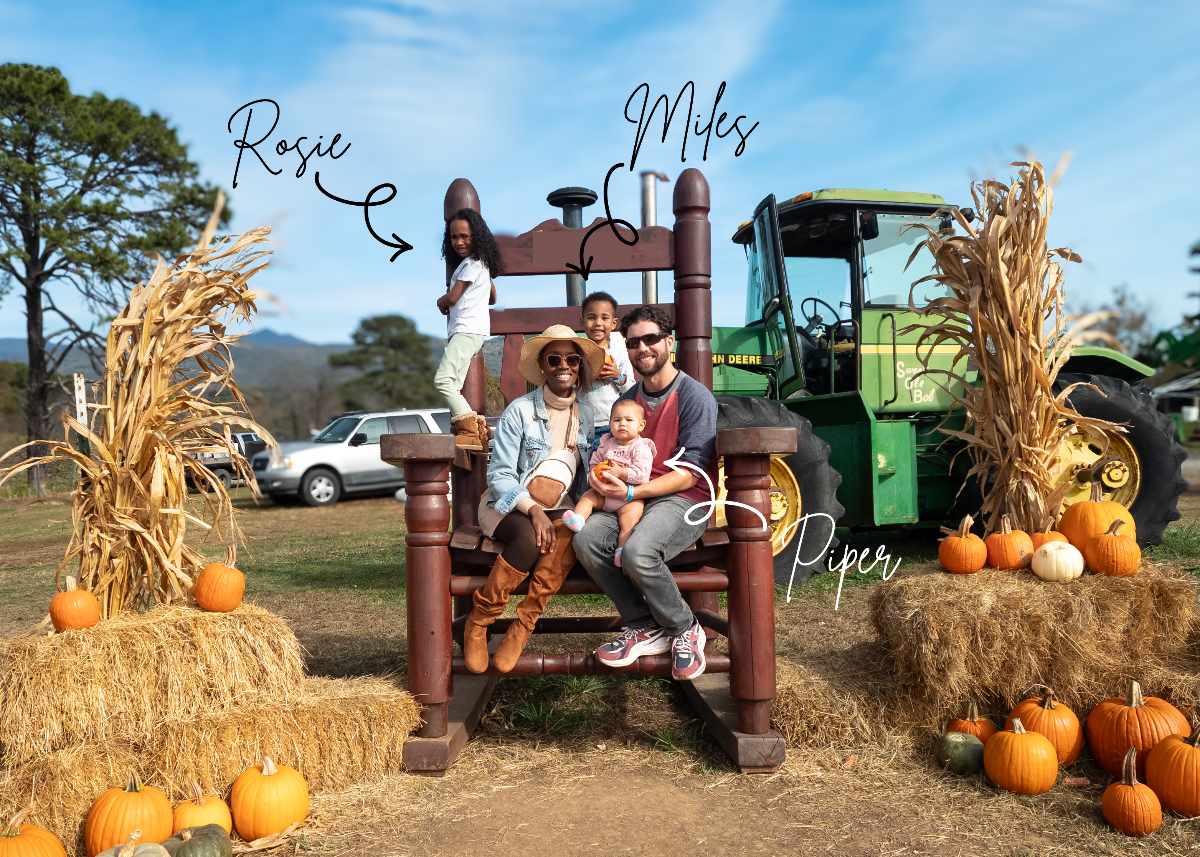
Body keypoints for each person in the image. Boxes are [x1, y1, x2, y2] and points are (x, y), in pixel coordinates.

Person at [574, 305, 718, 681]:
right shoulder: (630, 402)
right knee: (586, 538)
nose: (642, 348)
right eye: (634, 342)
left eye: (651, 339)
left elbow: (691, 473)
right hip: (631, 498)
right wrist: (600, 477)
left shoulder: (694, 397)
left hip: (684, 500)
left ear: (668, 342)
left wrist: (634, 488)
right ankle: (644, 625)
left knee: (639, 552)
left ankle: (684, 628)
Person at [463, 324, 603, 674]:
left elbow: (591, 471)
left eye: (572, 358)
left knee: (569, 535)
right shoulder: (520, 411)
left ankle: (522, 626)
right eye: (554, 359)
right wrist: (535, 511)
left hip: (562, 505)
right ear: (542, 366)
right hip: (508, 502)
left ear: (580, 365)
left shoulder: (586, 415)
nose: (563, 365)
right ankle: (479, 622)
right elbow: (498, 476)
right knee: (527, 537)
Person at [434, 208, 501, 450]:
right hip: (475, 333)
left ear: (477, 236)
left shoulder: (470, 265)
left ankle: (470, 431)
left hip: (465, 331)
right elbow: (492, 297)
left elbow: (453, 296)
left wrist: (440, 302)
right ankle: (478, 432)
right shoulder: (482, 266)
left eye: (465, 236)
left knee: (443, 381)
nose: (459, 242)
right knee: (454, 383)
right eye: (454, 237)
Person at [562, 399, 656, 569]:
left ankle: (621, 551)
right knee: (588, 497)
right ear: (610, 423)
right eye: (617, 420)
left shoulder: (641, 448)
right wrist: (593, 473)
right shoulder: (607, 443)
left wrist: (621, 473)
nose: (622, 424)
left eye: (629, 420)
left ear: (641, 425)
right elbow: (595, 460)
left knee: (630, 520)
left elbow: (642, 475)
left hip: (628, 499)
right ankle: (578, 519)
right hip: (603, 494)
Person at [580, 291, 635, 444]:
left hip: (612, 425)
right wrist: (581, 376)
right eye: (591, 317)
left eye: (605, 318)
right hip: (581, 425)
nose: (598, 322)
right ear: (582, 322)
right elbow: (568, 388)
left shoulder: (620, 353)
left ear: (613, 323)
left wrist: (618, 376)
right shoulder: (576, 354)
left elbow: (632, 389)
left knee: (608, 465)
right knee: (585, 467)